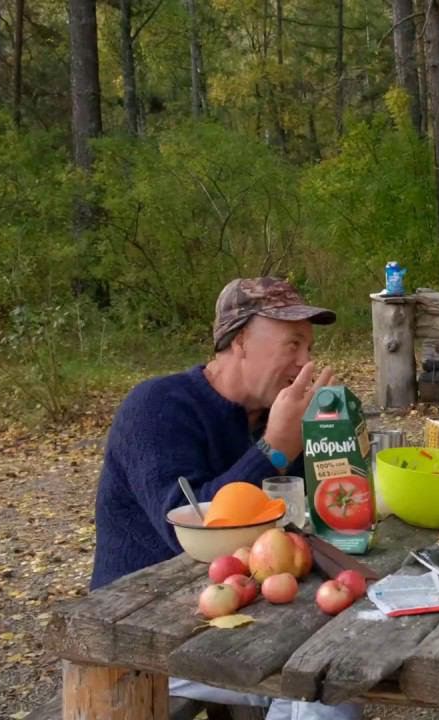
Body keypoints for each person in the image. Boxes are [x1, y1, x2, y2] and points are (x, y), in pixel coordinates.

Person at [90, 276, 360, 720]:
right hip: (143, 628)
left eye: (309, 349)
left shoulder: (276, 413)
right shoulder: (157, 406)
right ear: (238, 342)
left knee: (335, 670)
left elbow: (297, 526)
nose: (304, 362)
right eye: (292, 344)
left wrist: (337, 444)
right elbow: (188, 531)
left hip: (245, 612)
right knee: (325, 688)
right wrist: (273, 449)